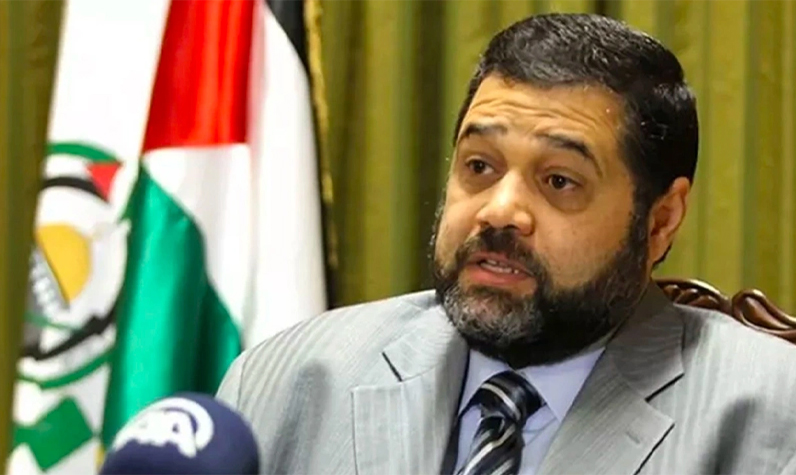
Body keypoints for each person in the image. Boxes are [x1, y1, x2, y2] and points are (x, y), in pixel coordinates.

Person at [217, 13, 796, 475]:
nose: (498, 210)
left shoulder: (772, 413)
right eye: (479, 166)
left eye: (559, 181)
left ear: (660, 221)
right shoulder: (288, 380)